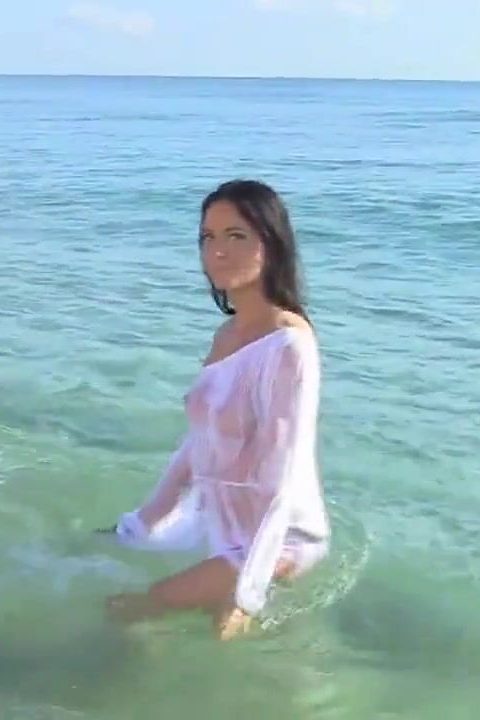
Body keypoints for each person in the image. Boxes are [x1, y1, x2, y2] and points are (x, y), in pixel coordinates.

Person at [99, 179, 331, 640]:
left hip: (278, 537)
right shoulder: (226, 336)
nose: (218, 251)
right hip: (220, 517)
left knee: (129, 610)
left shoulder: (289, 345)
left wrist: (247, 592)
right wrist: (143, 520)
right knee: (91, 564)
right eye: (208, 237)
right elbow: (200, 440)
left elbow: (283, 476)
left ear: (271, 244)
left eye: (236, 236)